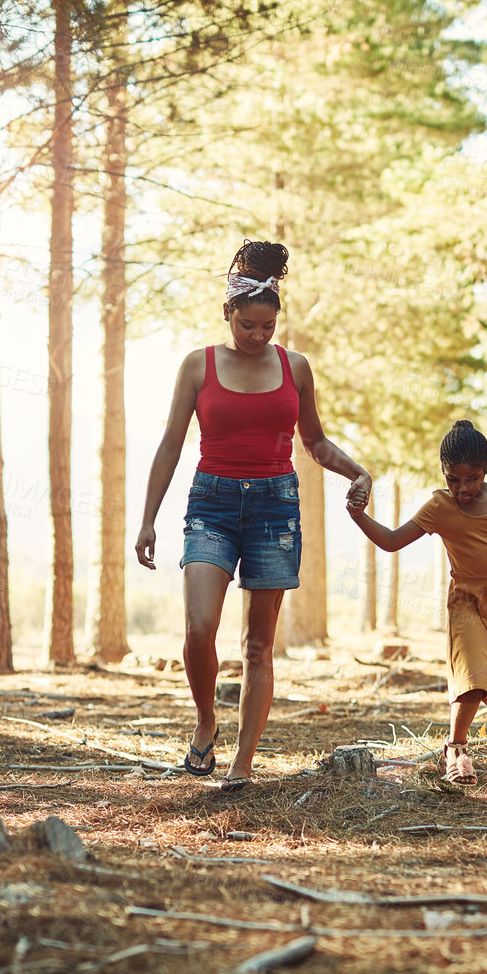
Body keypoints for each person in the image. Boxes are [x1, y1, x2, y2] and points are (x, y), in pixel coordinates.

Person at [135, 241, 371, 791]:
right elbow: (171, 443)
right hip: (211, 503)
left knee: (258, 644)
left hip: (274, 506)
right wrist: (147, 519)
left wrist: (356, 471)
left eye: (267, 327)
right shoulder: (198, 365)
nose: (258, 337)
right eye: (248, 326)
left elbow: (313, 441)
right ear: (228, 314)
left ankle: (242, 763)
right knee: (199, 628)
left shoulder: (296, 367)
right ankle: (205, 720)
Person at [346, 421, 487, 799]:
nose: (463, 489)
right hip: (467, 602)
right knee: (473, 678)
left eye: (472, 478)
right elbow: (393, 541)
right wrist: (360, 517)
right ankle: (456, 748)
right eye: (453, 479)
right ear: (443, 474)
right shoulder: (439, 507)